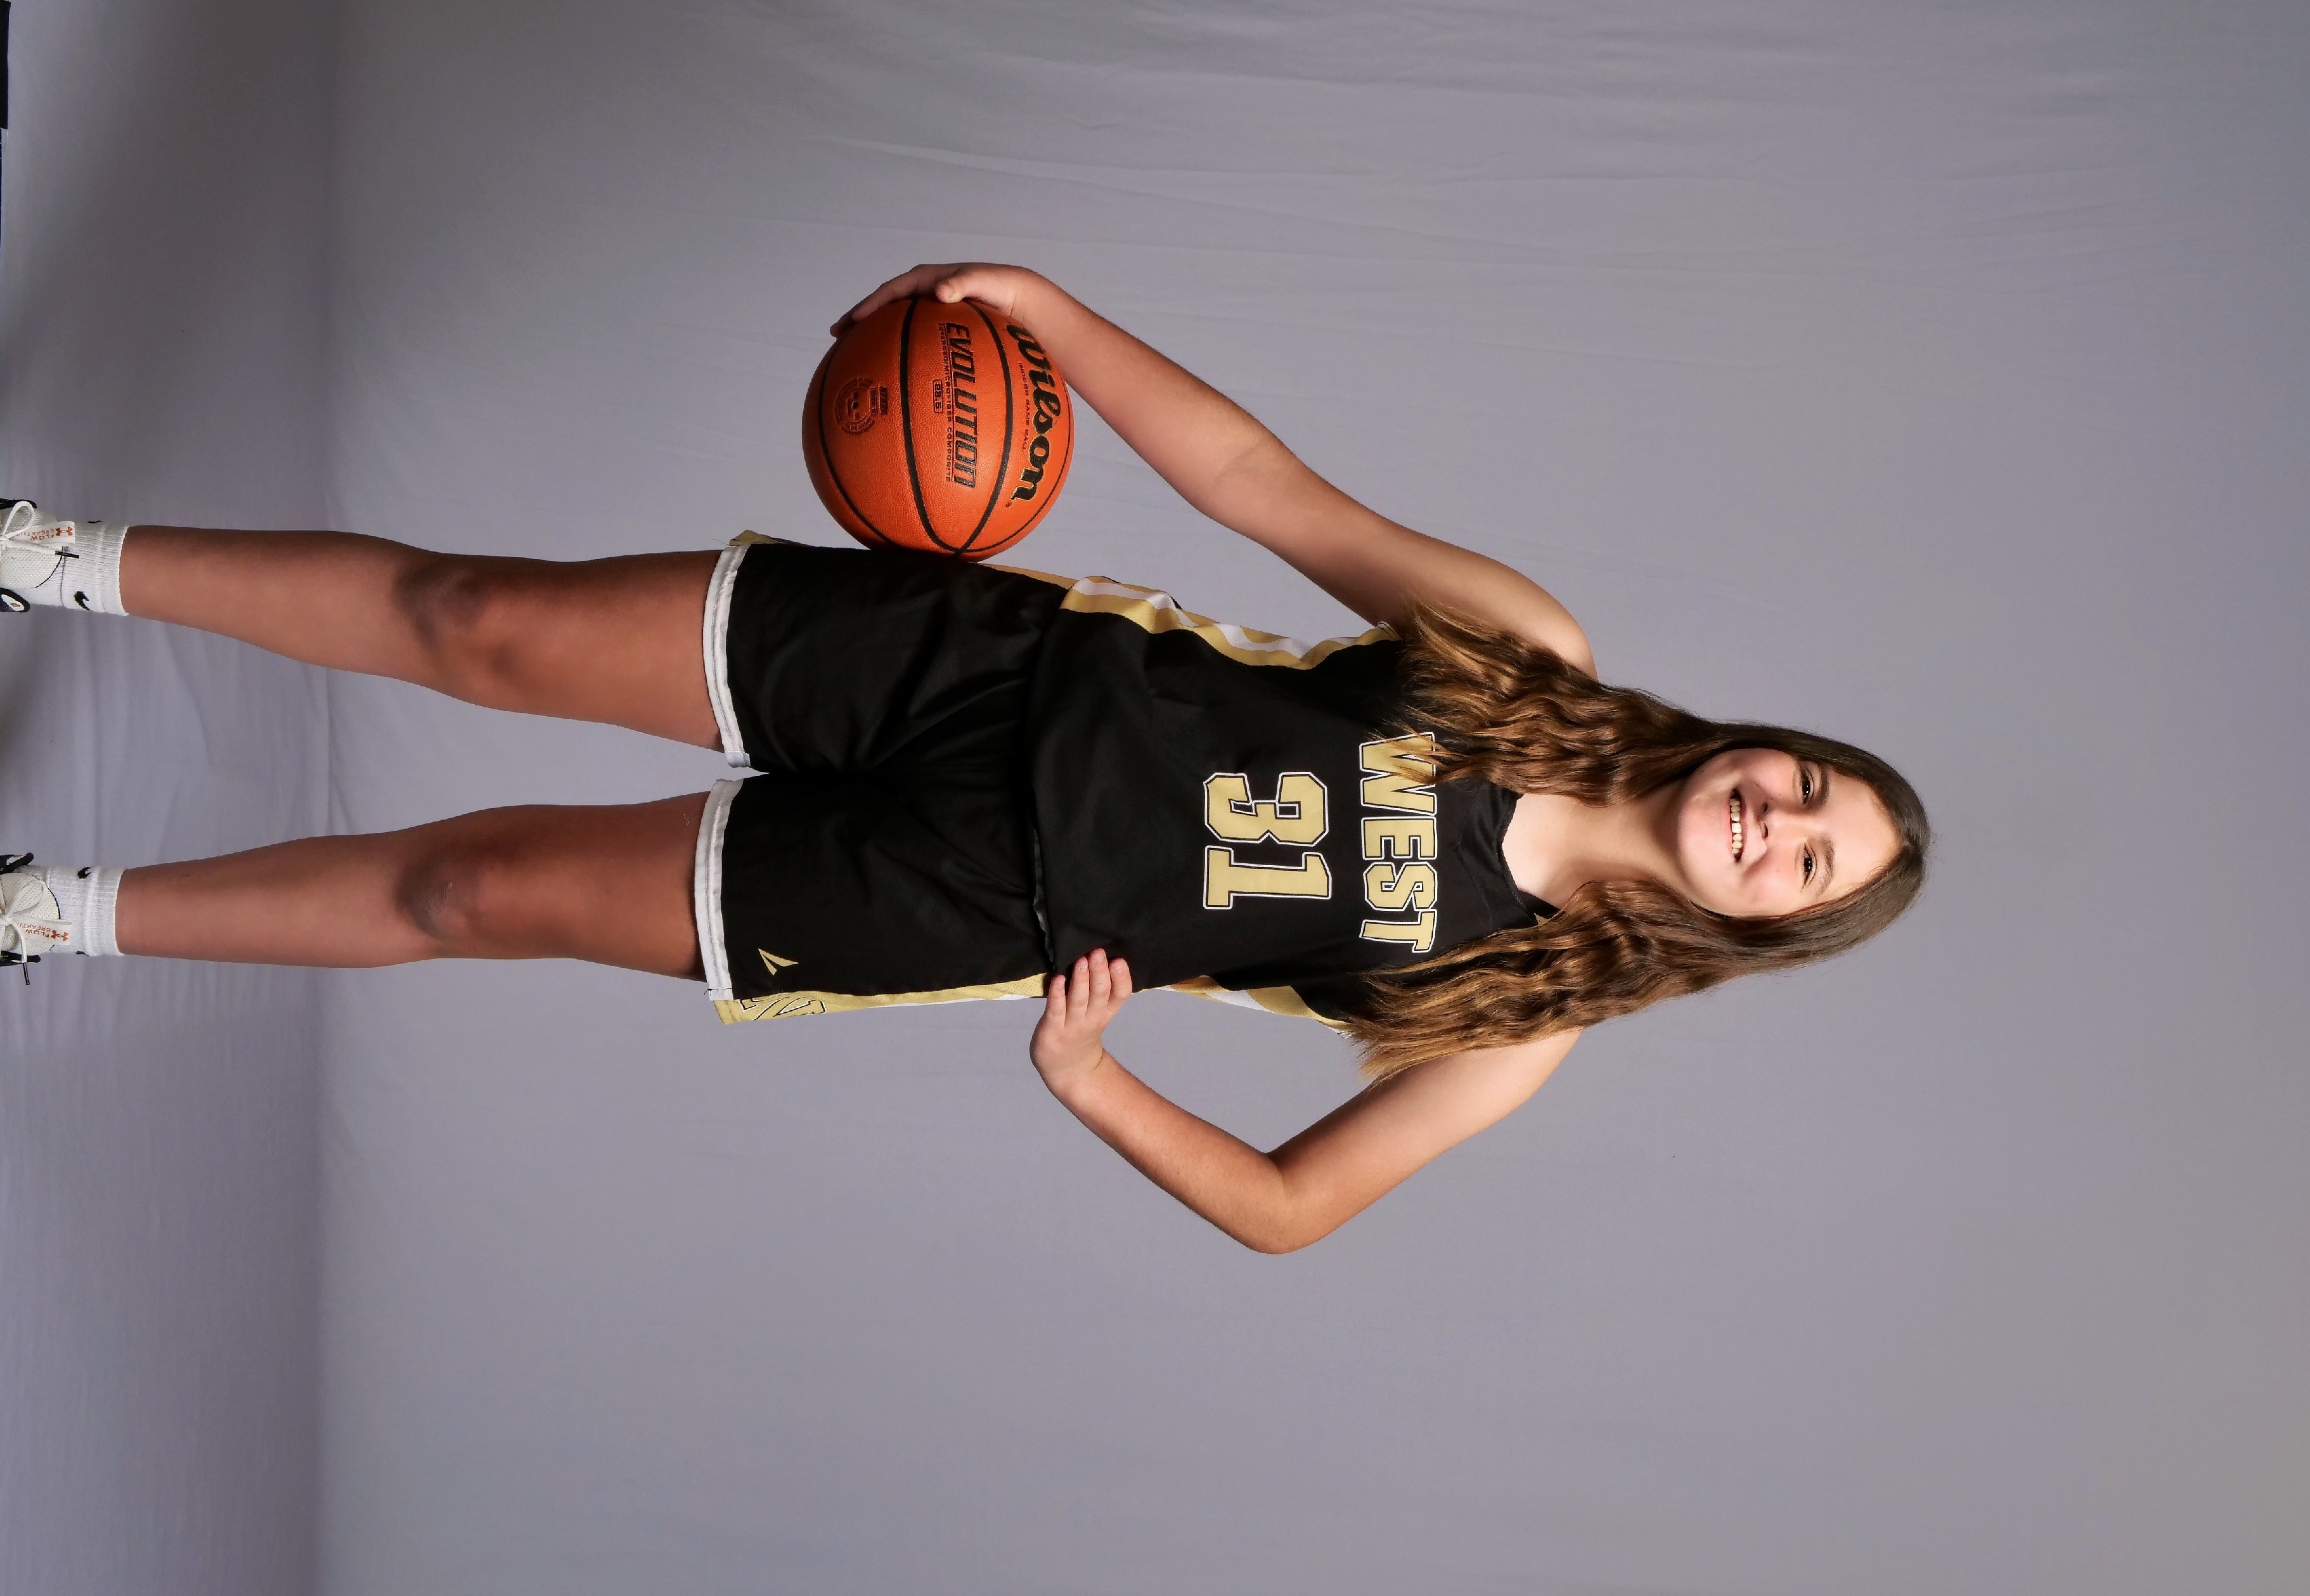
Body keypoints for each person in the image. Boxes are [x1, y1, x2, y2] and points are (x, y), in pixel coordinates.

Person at [0, 263, 1928, 1252]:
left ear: (1769, 927)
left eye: (1808, 865)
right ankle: (54, 554)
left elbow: (1292, 1208)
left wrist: (1095, 1083)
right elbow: (1266, 490)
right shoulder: (1534, 656)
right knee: (479, 616)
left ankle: (51, 913)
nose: (1779, 824)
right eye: (1810, 789)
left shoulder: (1523, 1021)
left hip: (962, 901)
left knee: (472, 892)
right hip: (976, 673)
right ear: (1776, 746)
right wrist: (1052, 316)